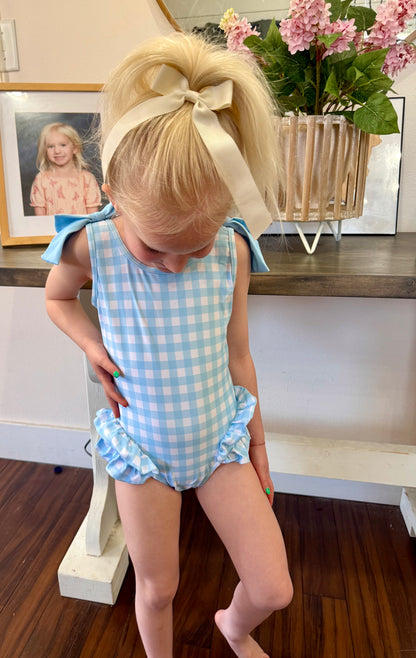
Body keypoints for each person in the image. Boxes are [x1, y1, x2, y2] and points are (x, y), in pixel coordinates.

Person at [42, 33, 293, 658]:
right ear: (113, 193)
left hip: (220, 441)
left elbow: (238, 352)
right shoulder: (93, 245)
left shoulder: (232, 249)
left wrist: (258, 442)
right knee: (158, 589)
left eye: (196, 247)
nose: (177, 264)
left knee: (274, 587)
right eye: (156, 248)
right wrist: (91, 344)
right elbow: (57, 299)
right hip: (143, 452)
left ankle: (233, 625)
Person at [30, 122, 101, 215]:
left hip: (81, 225)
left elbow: (92, 217)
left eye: (63, 145)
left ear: (75, 148)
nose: (57, 151)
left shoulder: (87, 179)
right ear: (45, 150)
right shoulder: (41, 179)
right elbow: (40, 219)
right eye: (51, 146)